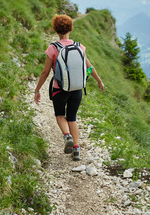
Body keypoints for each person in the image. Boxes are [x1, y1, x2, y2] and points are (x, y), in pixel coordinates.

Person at [34, 14, 104, 161]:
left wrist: (37, 89)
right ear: (71, 28)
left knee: (60, 114)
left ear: (55, 30)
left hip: (59, 88)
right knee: (72, 117)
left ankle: (67, 136)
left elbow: (45, 71)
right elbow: (89, 67)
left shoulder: (53, 48)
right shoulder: (79, 47)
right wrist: (98, 80)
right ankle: (76, 150)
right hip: (77, 89)